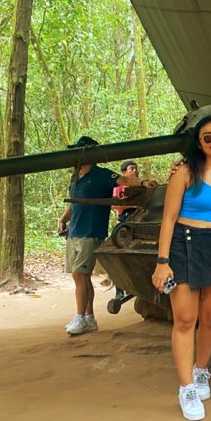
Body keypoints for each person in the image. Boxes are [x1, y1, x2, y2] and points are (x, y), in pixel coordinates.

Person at [151, 117, 211, 421]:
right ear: (199, 142)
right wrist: (162, 262)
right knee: (186, 319)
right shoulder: (185, 172)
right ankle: (186, 387)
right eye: (207, 137)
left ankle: (201, 372)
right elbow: (169, 218)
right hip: (184, 244)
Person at [57, 136, 157, 336]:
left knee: (80, 274)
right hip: (75, 231)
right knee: (81, 278)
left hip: (91, 231)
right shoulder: (75, 177)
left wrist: (144, 182)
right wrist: (63, 219)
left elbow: (125, 180)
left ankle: (79, 316)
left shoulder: (101, 174)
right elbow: (74, 203)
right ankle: (88, 317)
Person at [112, 159, 140, 299]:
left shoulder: (142, 186)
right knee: (119, 255)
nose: (134, 171)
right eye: (131, 169)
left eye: (135, 168)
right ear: (123, 173)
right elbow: (116, 206)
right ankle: (119, 290)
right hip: (123, 222)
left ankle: (134, 288)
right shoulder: (118, 188)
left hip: (140, 222)